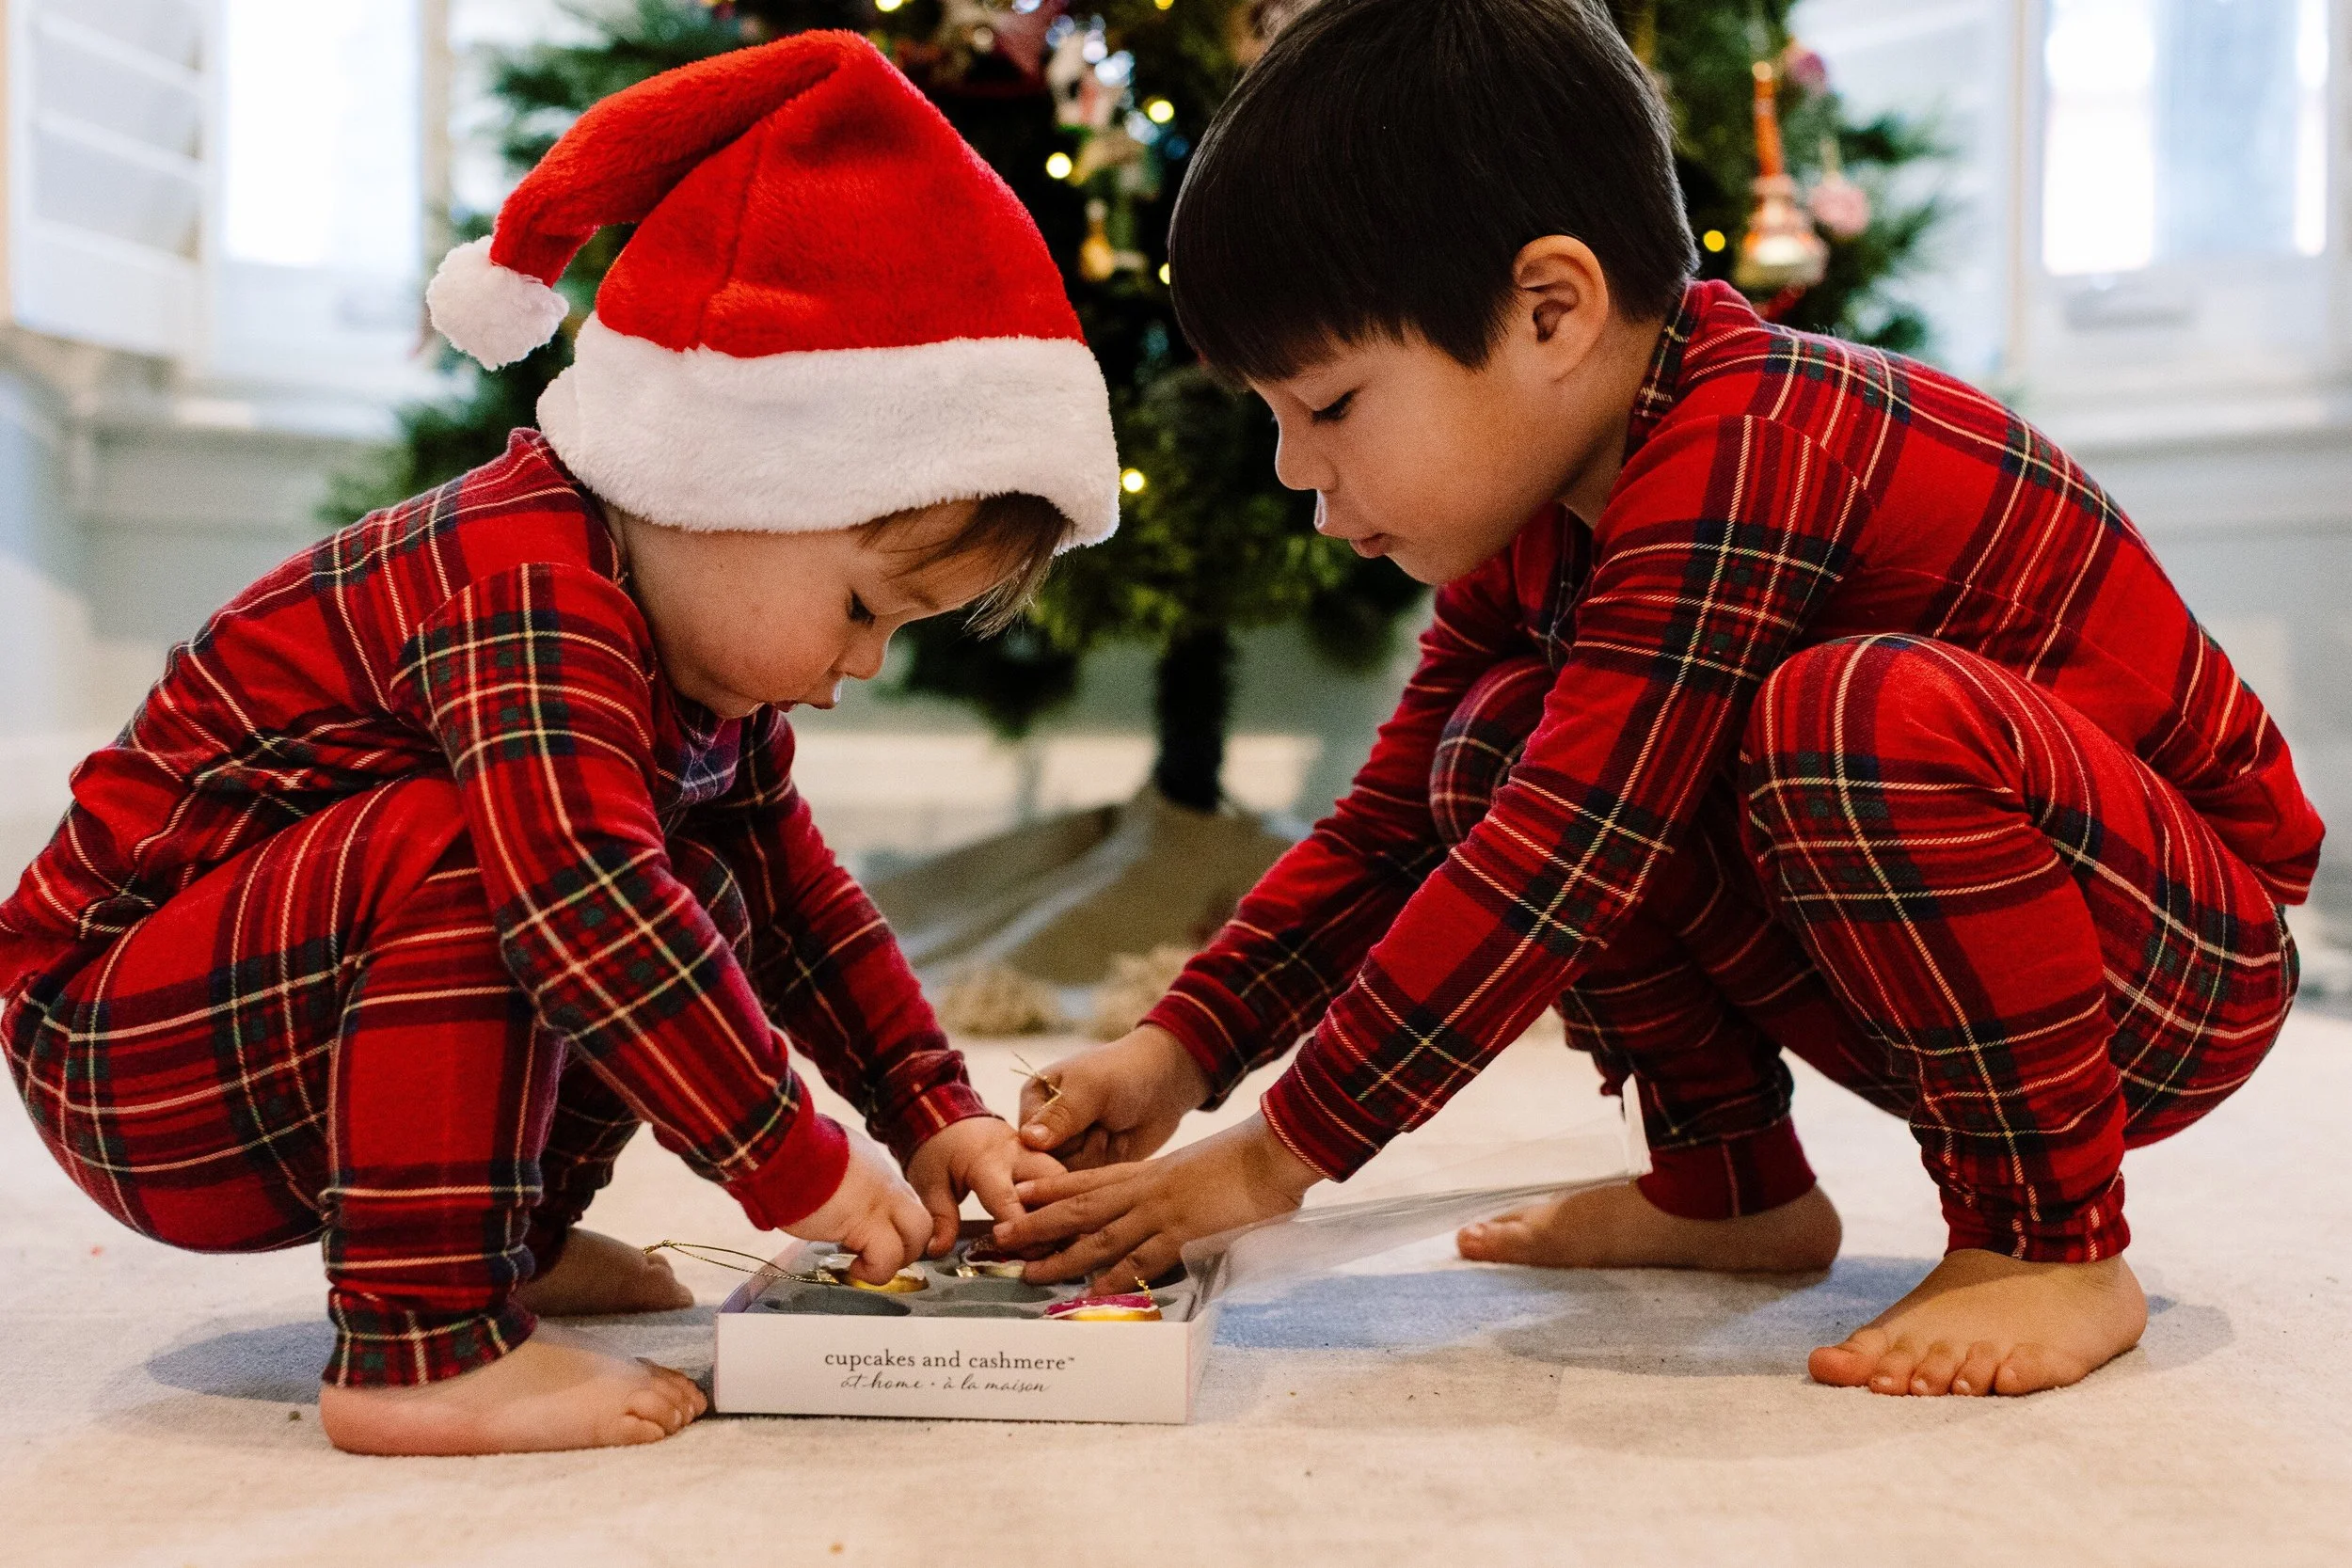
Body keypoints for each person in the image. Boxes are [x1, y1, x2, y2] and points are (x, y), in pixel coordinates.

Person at [993, 0, 2320, 1401]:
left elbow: (1566, 852)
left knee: (1838, 720)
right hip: (1939, 945)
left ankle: (2053, 1238)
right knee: (1489, 744)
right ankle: (1729, 1181)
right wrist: (1183, 1045)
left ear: (1550, 311)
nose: (1292, 472)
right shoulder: (1549, 516)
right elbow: (1395, 830)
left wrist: (1279, 1155)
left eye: (1327, 405)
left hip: (2173, 967)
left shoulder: (1749, 437)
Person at [0, 33, 1119, 1456]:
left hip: (255, 1025)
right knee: (517, 863)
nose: (856, 668)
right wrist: (803, 1168)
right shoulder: (530, 586)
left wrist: (930, 1110)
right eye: (859, 606)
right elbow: (582, 889)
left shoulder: (694, 663)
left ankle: (500, 1240)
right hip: (114, 1042)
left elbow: (801, 908)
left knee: (705, 882)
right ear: (738, 476)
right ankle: (419, 1344)